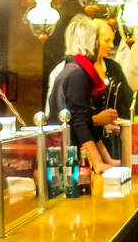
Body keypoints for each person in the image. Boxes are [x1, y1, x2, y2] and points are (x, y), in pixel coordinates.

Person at [46, 14, 118, 175]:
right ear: (91, 42)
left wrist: (107, 160)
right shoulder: (76, 73)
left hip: (70, 154)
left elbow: (87, 121)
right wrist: (98, 163)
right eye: (96, 40)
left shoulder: (75, 69)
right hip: (66, 158)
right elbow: (78, 120)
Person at [94, 20, 134, 158]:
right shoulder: (80, 70)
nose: (111, 45)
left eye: (112, 41)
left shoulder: (113, 67)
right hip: (89, 142)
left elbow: (128, 99)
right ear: (93, 40)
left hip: (113, 141)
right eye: (106, 41)